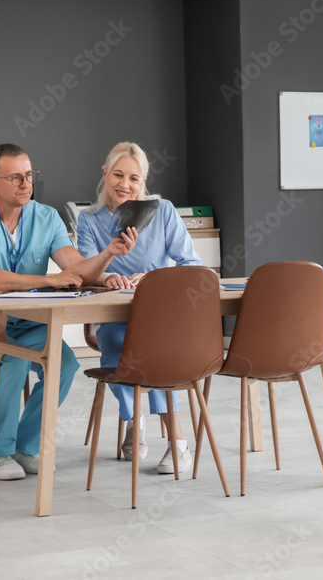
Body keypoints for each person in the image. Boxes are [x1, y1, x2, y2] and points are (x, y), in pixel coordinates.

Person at [0, 143, 137, 480]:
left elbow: (78, 270)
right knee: (10, 357)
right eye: (15, 177)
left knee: (64, 362)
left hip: (22, 322)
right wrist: (47, 280)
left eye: (29, 176)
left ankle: (25, 446)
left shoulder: (46, 216)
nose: (25, 184)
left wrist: (108, 253)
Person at [75, 142, 202, 474]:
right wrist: (108, 277)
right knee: (118, 344)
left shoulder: (163, 211)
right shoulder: (88, 220)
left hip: (161, 318)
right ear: (105, 175)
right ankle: (137, 421)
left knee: (156, 349)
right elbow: (85, 270)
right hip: (113, 318)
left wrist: (152, 277)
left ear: (143, 180)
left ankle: (177, 442)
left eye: (134, 177)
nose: (125, 184)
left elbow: (192, 263)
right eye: (118, 175)